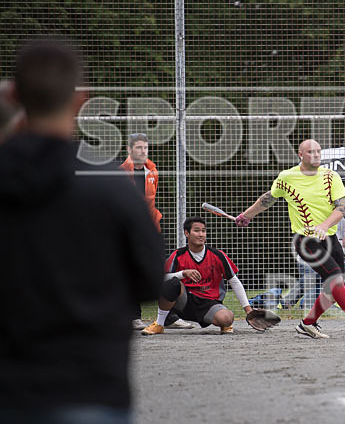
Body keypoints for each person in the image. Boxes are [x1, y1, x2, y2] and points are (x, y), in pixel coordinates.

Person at [0, 39, 163, 423]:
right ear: (81, 99)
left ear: (13, 95)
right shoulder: (109, 184)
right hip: (90, 387)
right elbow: (149, 280)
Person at [235, 139, 345, 340]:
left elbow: (341, 208)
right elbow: (268, 198)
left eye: (318, 151)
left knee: (333, 288)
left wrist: (323, 226)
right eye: (311, 152)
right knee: (335, 280)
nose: (316, 155)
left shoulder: (331, 176)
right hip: (306, 241)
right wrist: (246, 215)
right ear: (301, 155)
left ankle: (308, 323)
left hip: (330, 239)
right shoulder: (287, 177)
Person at [120, 133, 193, 330]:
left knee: (162, 270)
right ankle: (133, 316)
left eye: (145, 148)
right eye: (139, 148)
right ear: (129, 150)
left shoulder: (152, 171)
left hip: (151, 227)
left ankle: (168, 316)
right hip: (128, 229)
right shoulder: (119, 173)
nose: (143, 151)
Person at [141, 217, 259, 335]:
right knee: (172, 283)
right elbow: (161, 278)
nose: (201, 234)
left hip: (209, 303)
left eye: (203, 231)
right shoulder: (178, 255)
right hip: (184, 302)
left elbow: (234, 281)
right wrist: (183, 273)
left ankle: (224, 324)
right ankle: (159, 324)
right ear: (187, 233)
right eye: (197, 230)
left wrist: (248, 310)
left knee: (227, 319)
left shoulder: (218, 255)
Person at [282, 216, 345, 309]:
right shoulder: (312, 217)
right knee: (310, 281)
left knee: (333, 275)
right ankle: (296, 302)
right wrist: (341, 243)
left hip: (331, 261)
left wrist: (338, 246)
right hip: (310, 259)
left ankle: (288, 301)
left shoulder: (342, 222)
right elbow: (313, 246)